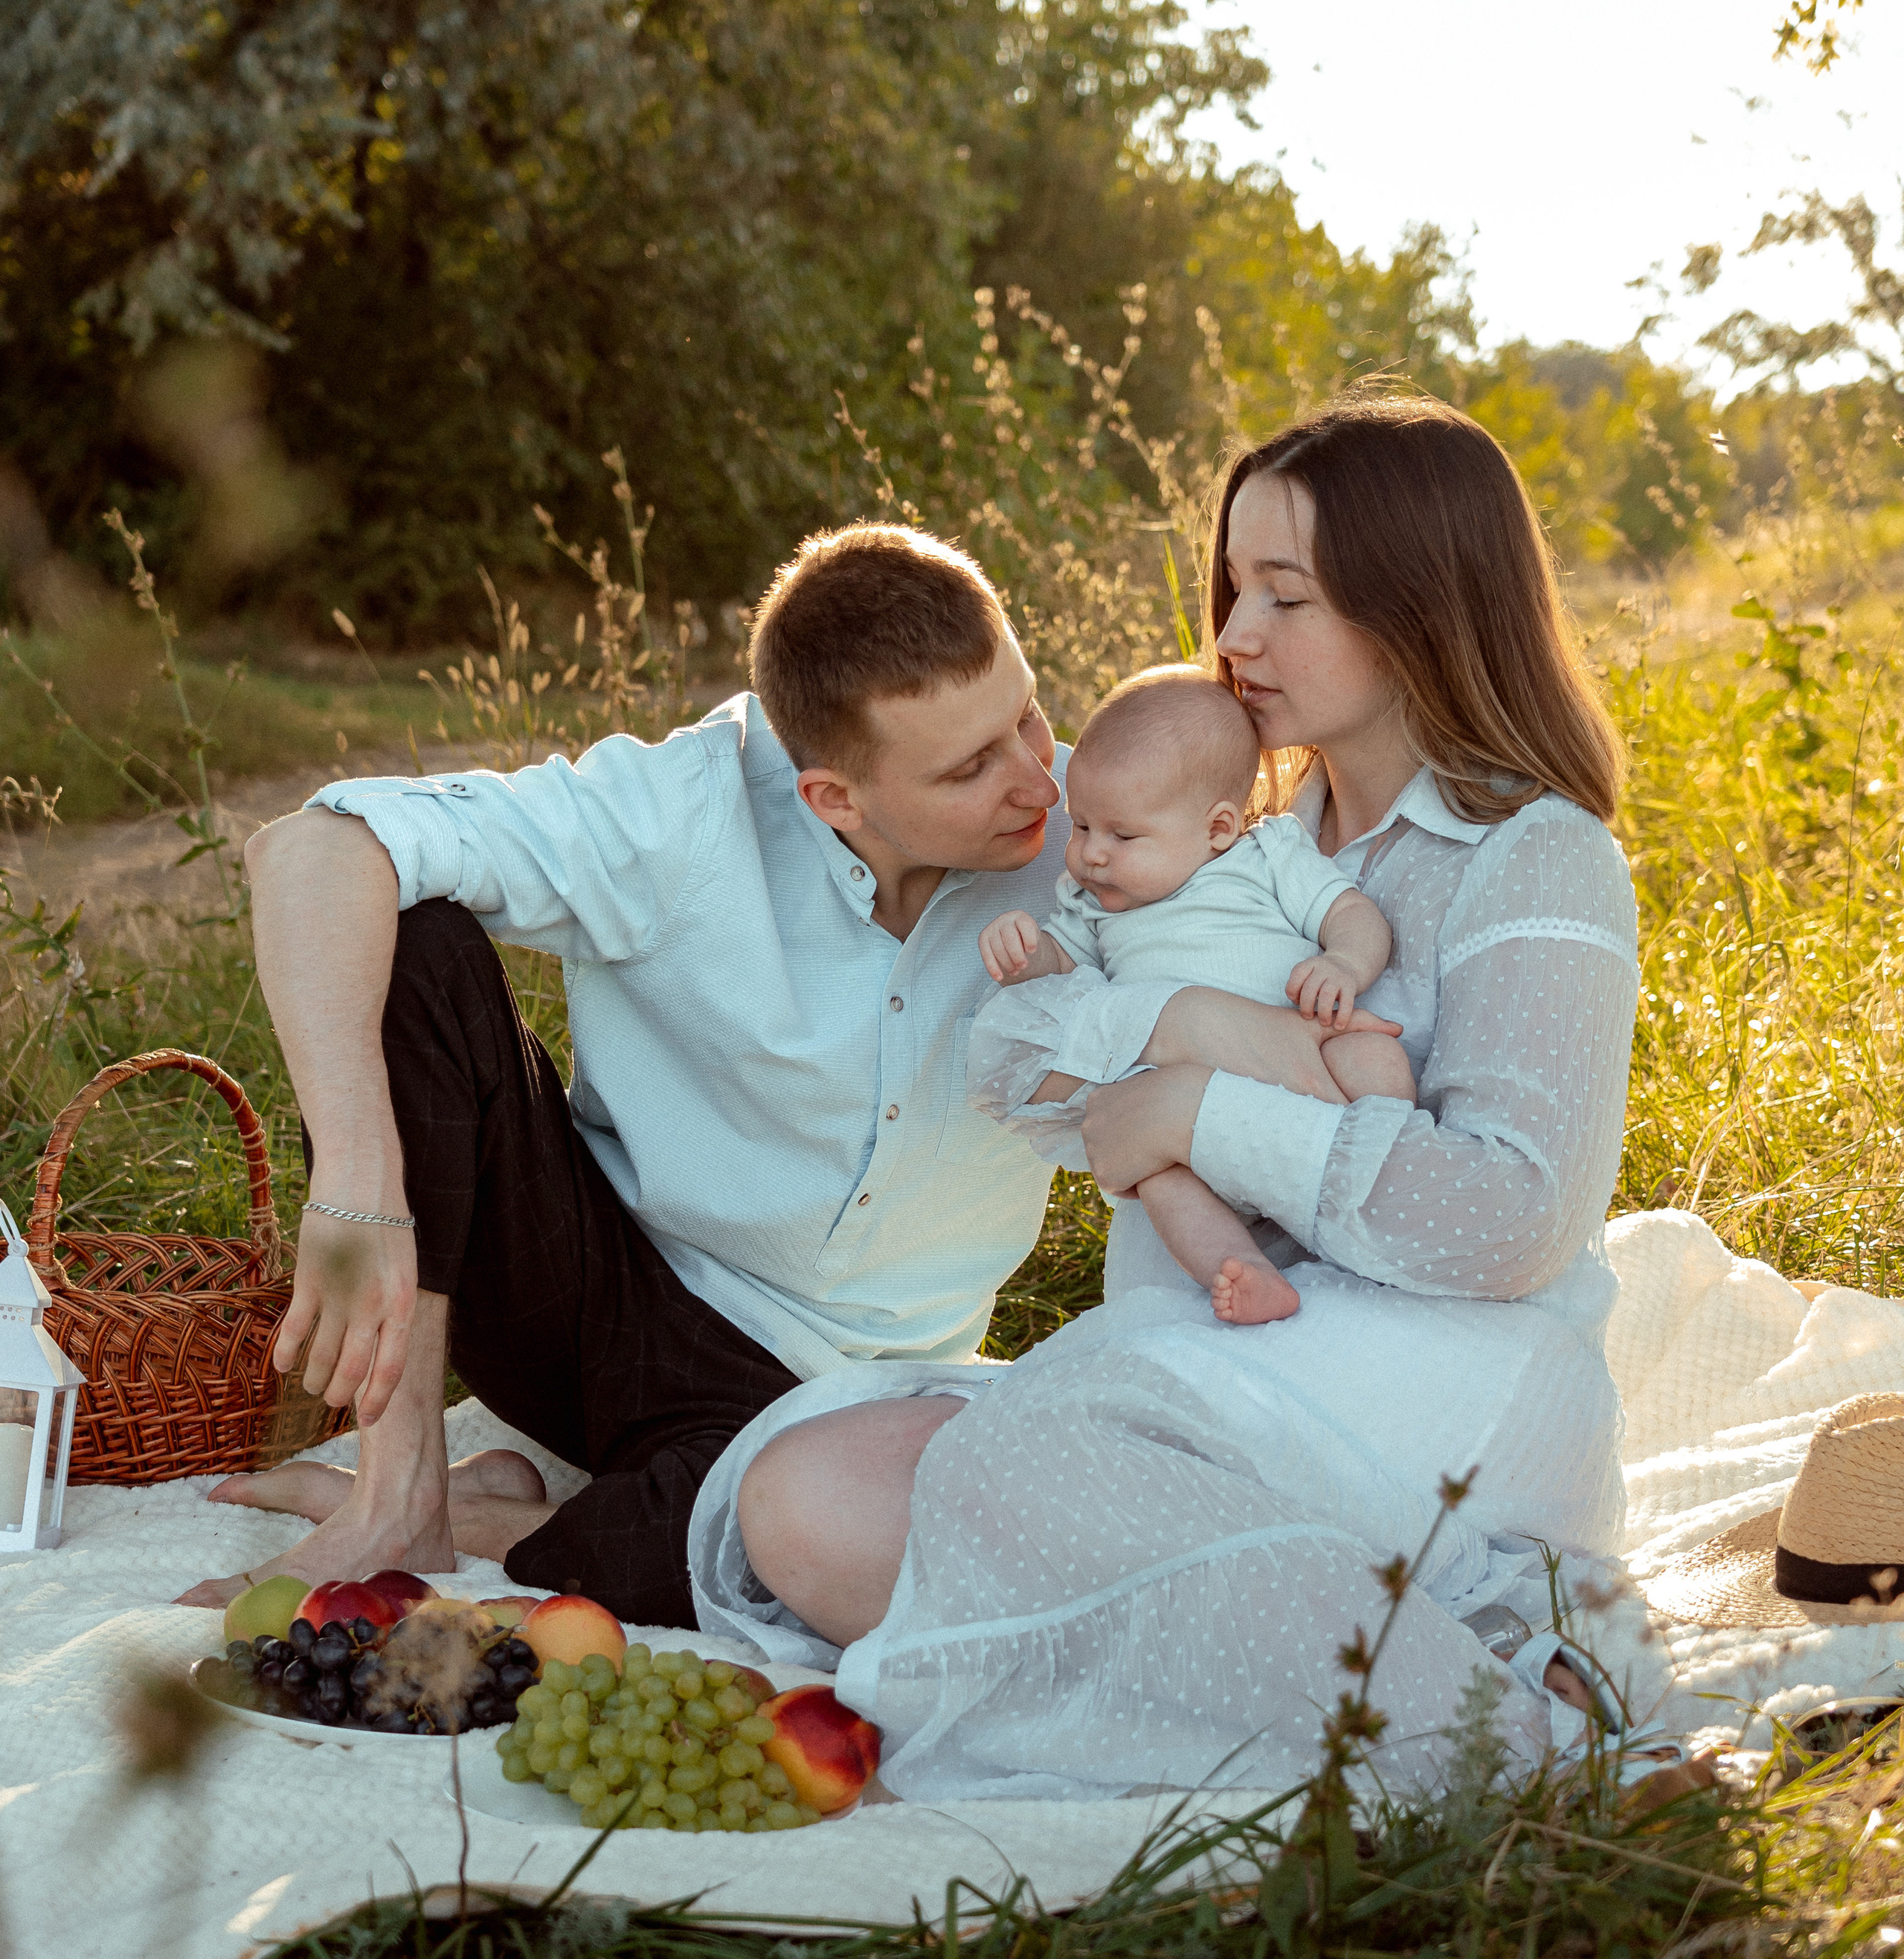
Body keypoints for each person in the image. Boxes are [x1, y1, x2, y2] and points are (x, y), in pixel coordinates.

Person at [692, 387, 1639, 1801]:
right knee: (807, 1501)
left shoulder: (1532, 857)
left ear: (1424, 607)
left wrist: (1196, 1108)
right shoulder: (1223, 826)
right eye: (1231, 588)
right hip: (1224, 1357)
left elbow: (1508, 1220)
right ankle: (1442, 1634)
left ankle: (1520, 1742)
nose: (1235, 635)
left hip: (1447, 1383)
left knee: (997, 1494)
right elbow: (1022, 1072)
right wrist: (1187, 1023)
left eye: (1288, 596)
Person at [175, 523, 1073, 1621]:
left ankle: (506, 1519)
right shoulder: (686, 810)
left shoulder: (1103, 835)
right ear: (834, 797)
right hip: (597, 1298)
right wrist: (357, 1180)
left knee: (764, 1576)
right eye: (973, 766)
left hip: (839, 1401)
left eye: (1027, 712)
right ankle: (401, 1490)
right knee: (413, 938)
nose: (1038, 777)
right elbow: (313, 845)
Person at [976, 663, 1408, 1325]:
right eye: (1083, 825)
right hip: (1184, 1114)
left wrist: (1345, 965)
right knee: (1161, 1178)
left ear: (1218, 829)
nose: (1091, 854)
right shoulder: (1094, 904)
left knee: (1377, 1062)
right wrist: (1026, 950)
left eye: (1122, 835)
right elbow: (1063, 971)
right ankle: (1248, 1274)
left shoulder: (1266, 858)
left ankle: (1388, 1208)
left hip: (1304, 1063)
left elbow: (1351, 915)